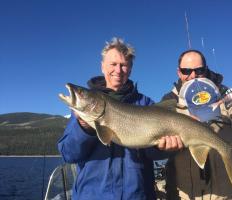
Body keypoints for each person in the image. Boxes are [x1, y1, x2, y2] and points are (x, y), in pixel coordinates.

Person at [58, 37, 182, 200]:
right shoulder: (83, 112)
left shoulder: (145, 104)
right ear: (102, 66)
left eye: (124, 65)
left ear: (130, 69)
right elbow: (69, 154)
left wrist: (163, 149)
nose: (118, 70)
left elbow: (152, 155)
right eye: (113, 64)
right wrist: (83, 127)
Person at [161, 49, 232, 200]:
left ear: (206, 69)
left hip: (227, 195)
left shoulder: (222, 93)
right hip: (186, 195)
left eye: (199, 70)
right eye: (186, 71)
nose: (193, 75)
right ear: (179, 72)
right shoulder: (169, 101)